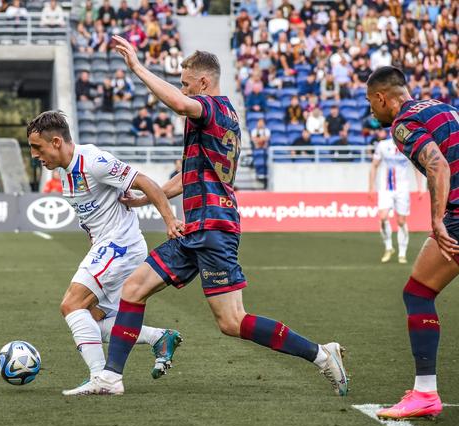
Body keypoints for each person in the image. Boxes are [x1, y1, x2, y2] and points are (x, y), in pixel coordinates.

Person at [68, 40, 348, 396]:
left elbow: (178, 103)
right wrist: (142, 199)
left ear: (203, 83)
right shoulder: (220, 116)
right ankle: (110, 377)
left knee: (232, 322)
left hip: (214, 227)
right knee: (134, 290)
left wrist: (137, 68)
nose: (183, 89)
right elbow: (189, 173)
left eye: (186, 83)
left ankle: (322, 355)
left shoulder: (212, 108)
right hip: (195, 229)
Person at [26, 111, 184, 394]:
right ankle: (160, 337)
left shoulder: (94, 161)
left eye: (38, 148)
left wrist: (170, 222)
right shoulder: (64, 173)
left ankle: (102, 379)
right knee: (92, 317)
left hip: (120, 246)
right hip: (106, 247)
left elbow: (145, 182)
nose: (35, 155)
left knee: (71, 305)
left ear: (57, 142)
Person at [366, 66, 459, 420]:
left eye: (370, 104)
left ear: (382, 97)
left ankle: (425, 393)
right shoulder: (440, 107)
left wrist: (437, 220)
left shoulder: (402, 124)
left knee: (418, 293)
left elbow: (438, 166)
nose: (371, 111)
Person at [369, 129, 422, 264]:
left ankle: (402, 253)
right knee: (382, 217)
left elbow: (417, 166)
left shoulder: (408, 148)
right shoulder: (382, 146)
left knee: (401, 221)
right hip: (386, 188)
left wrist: (420, 186)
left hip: (402, 189)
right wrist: (371, 187)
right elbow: (374, 166)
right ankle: (388, 247)